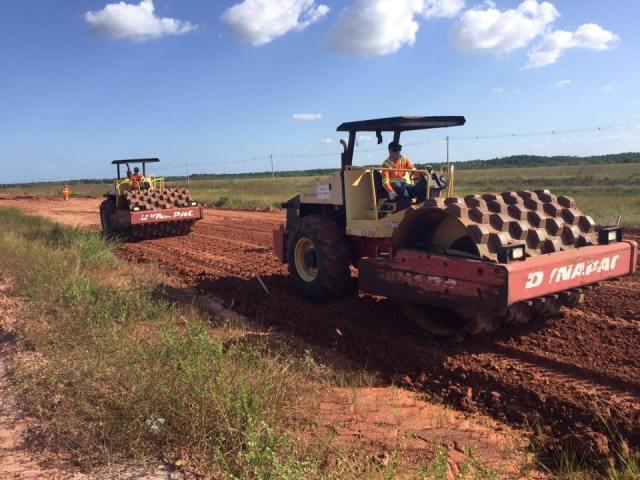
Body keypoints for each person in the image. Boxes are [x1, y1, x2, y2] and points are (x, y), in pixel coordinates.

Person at [381, 141, 427, 210]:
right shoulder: (386, 164)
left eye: (399, 150)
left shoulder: (404, 159)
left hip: (403, 184)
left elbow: (413, 170)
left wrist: (421, 173)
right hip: (393, 185)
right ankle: (407, 213)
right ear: (390, 151)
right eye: (395, 151)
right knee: (403, 191)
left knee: (418, 188)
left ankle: (420, 209)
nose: (398, 153)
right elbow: (385, 181)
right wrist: (390, 191)